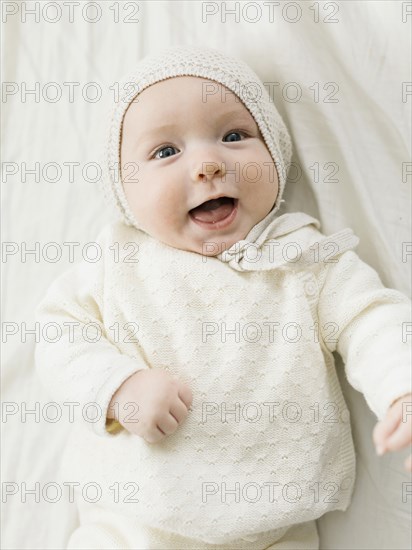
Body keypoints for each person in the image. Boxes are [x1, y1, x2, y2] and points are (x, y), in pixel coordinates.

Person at [34, 46, 412, 550]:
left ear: (275, 154)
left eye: (234, 136)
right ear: (124, 190)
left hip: (274, 528)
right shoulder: (117, 261)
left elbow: (373, 318)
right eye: (166, 151)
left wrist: (401, 388)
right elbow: (58, 332)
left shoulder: (306, 258)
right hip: (133, 523)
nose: (208, 164)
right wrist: (117, 389)